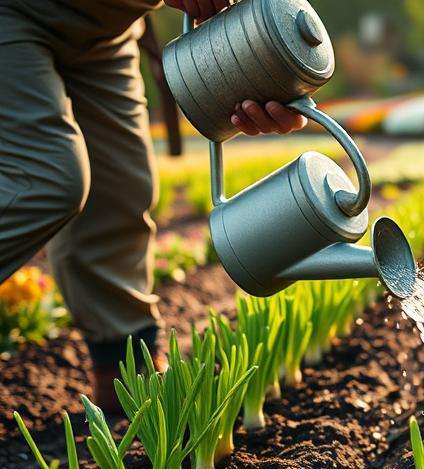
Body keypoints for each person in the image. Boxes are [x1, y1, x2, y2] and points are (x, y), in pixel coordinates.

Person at [0, 0, 307, 405]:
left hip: (106, 26)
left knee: (120, 188)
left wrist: (271, 58)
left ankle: (126, 377)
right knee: (43, 178)